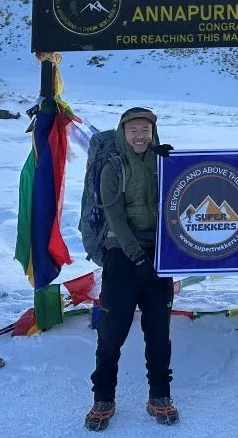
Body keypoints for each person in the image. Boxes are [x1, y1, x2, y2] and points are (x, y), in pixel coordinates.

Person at [85, 107, 180, 431]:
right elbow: (114, 217)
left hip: (157, 256)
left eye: (146, 130)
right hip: (122, 256)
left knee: (159, 333)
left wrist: (177, 164)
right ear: (122, 133)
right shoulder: (113, 167)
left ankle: (160, 395)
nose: (140, 136)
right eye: (133, 130)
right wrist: (135, 256)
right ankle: (103, 397)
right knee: (111, 333)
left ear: (153, 132)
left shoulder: (161, 163)